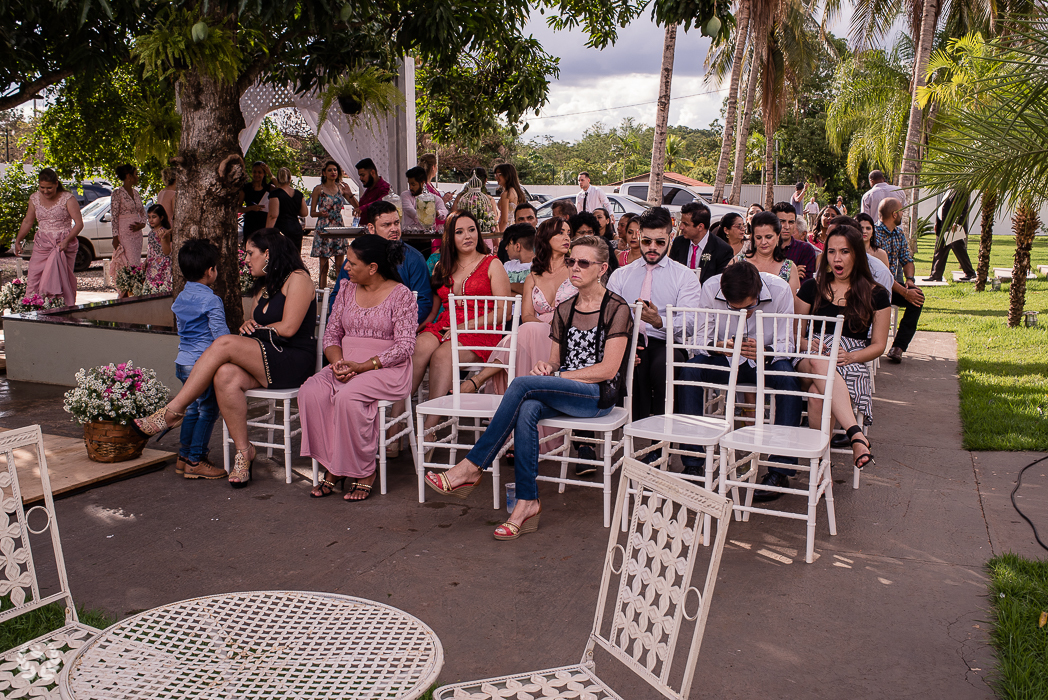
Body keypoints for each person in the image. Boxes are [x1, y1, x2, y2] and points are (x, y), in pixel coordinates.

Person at [424, 235, 633, 540]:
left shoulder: (617, 308)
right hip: (567, 390)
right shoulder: (566, 309)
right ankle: (526, 503)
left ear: (602, 269)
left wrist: (557, 378)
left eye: (583, 263)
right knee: (528, 407)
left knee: (522, 385)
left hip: (598, 395)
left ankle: (471, 467)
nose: (574, 267)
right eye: (571, 260)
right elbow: (554, 362)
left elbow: (608, 369)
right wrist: (547, 369)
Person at [133, 229, 318, 488]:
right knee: (224, 374)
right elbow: (257, 324)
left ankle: (173, 411)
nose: (246, 260)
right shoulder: (263, 287)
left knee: (224, 343)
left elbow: (287, 329)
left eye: (250, 253)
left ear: (268, 253)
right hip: (265, 360)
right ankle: (244, 452)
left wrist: (253, 332)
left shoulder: (298, 279)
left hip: (292, 361)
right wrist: (247, 326)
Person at [300, 235, 418, 501]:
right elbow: (331, 334)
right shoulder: (346, 290)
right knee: (311, 392)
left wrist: (364, 366)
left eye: (352, 263)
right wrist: (338, 363)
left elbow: (405, 347)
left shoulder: (401, 296)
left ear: (373, 267)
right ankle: (335, 465)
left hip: (386, 368)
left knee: (348, 397)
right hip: (345, 363)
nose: (346, 267)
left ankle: (365, 471)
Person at [677, 262, 799, 491]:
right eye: (734, 309)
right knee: (689, 372)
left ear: (759, 291)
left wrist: (765, 350)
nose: (745, 313)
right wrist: (719, 346)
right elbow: (701, 338)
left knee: (789, 381)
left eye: (751, 306)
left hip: (766, 361)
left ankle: (780, 470)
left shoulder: (780, 289)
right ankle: (692, 461)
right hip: (724, 359)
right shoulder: (711, 287)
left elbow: (786, 343)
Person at [795, 224, 887, 472]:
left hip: (850, 360)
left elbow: (879, 345)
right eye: (832, 251)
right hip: (809, 357)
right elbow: (793, 333)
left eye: (844, 251)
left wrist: (851, 356)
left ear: (857, 254)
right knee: (818, 361)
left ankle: (822, 466)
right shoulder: (810, 288)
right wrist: (806, 343)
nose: (837, 258)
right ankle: (856, 435)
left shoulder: (876, 293)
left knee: (817, 396)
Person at [412, 211, 511, 430]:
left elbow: (505, 312)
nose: (467, 236)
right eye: (459, 232)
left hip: (480, 329)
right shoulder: (442, 266)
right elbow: (434, 311)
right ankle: (399, 424)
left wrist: (464, 326)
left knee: (443, 355)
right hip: (445, 325)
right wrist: (416, 329)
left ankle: (429, 428)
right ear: (450, 237)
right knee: (418, 346)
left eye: (471, 230)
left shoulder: (492, 264)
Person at [460, 217, 576, 399]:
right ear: (545, 237)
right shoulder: (534, 275)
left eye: (569, 233)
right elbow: (528, 314)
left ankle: (480, 379)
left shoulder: (576, 270)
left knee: (522, 334)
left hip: (569, 332)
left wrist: (554, 327)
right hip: (538, 330)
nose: (566, 237)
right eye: (560, 232)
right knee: (528, 329)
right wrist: (545, 327)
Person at [607, 206, 702, 425]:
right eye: (646, 241)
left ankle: (660, 440)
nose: (652, 248)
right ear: (638, 236)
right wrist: (626, 344)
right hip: (628, 341)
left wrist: (660, 321)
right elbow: (610, 318)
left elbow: (689, 324)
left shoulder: (684, 276)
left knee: (662, 365)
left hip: (667, 342)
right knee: (632, 360)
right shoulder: (621, 275)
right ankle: (633, 430)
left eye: (659, 242)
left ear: (671, 237)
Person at [169, 238, 228, 480]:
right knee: (208, 411)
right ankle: (196, 460)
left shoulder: (182, 295)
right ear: (209, 271)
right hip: (203, 364)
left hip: (183, 361)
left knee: (191, 409)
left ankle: (184, 458)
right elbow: (222, 338)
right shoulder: (211, 300)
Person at [330, 201, 433, 324]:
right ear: (371, 228)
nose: (394, 229)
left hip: (398, 329)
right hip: (355, 326)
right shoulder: (356, 258)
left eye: (396, 223)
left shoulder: (414, 259)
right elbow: (337, 297)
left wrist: (395, 325)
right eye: (387, 225)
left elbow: (424, 302)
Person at [13, 168, 82, 306]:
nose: (45, 191)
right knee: (34, 277)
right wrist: (18, 240)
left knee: (62, 279)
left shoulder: (67, 198)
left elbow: (79, 224)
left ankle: (62, 310)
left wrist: (66, 241)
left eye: (49, 188)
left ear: (56, 183)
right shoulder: (34, 198)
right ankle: (32, 309)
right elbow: (28, 221)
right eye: (42, 187)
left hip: (63, 245)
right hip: (42, 244)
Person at [877, 197, 924, 363]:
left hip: (894, 287)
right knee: (909, 296)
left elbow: (907, 259)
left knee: (917, 297)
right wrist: (904, 292)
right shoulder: (873, 234)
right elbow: (882, 276)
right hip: (876, 288)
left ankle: (898, 347)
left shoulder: (898, 233)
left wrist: (910, 280)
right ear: (894, 214)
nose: (903, 213)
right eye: (902, 210)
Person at [309, 160, 354, 289]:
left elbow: (356, 205)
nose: (333, 172)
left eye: (335, 170)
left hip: (338, 225)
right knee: (324, 267)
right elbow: (312, 213)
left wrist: (349, 194)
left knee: (340, 266)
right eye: (330, 170)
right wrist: (320, 214)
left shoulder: (341, 188)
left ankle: (339, 293)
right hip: (324, 226)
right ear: (324, 173)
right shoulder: (319, 189)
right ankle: (322, 294)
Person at [732, 211, 799, 293]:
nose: (763, 242)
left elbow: (793, 303)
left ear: (778, 237)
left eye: (768, 237)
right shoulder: (737, 262)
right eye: (759, 237)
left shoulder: (789, 268)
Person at [668, 201, 733, 284]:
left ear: (700, 227)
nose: (681, 227)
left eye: (685, 224)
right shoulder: (679, 242)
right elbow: (671, 271)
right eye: (681, 222)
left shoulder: (722, 250)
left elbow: (719, 283)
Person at [828, 215, 894, 292]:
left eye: (834, 237)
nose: (827, 242)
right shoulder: (826, 264)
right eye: (827, 236)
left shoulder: (879, 272)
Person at [110, 164, 147, 294]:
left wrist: (142, 224)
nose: (137, 177)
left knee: (136, 261)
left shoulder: (136, 193)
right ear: (128, 176)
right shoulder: (117, 193)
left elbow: (143, 212)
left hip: (137, 234)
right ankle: (126, 291)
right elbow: (114, 216)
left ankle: (135, 290)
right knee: (127, 261)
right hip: (123, 232)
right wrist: (115, 237)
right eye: (136, 174)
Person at [926, 190, 976, 282]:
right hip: (943, 225)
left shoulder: (961, 191)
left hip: (952, 227)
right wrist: (937, 222)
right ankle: (936, 275)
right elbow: (941, 208)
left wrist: (957, 222)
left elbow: (963, 209)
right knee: (939, 250)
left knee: (959, 249)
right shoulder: (947, 191)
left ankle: (970, 273)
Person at [771, 202, 817, 281]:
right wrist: (790, 274)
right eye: (782, 222)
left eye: (791, 222)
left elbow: (804, 286)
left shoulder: (805, 249)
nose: (787, 226)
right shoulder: (765, 248)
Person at [266, 167, 308, 254]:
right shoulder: (298, 194)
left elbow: (273, 215)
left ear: (278, 179)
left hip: (281, 228)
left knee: (281, 256)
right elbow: (304, 213)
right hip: (296, 228)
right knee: (295, 255)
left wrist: (267, 232)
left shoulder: (275, 194)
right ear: (290, 179)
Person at [347, 157, 391, 222]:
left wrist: (362, 209)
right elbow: (360, 206)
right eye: (360, 176)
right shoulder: (369, 189)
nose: (360, 178)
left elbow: (380, 204)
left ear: (372, 173)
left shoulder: (384, 187)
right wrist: (349, 195)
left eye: (363, 175)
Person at [144, 204, 172, 292]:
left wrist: (163, 239)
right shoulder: (151, 232)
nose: (151, 220)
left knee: (161, 289)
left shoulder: (163, 232)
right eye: (149, 217)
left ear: (161, 217)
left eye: (154, 217)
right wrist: (146, 261)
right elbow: (150, 249)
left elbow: (167, 251)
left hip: (162, 265)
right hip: (152, 265)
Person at [241, 161, 272, 241]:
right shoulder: (246, 188)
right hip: (250, 223)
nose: (256, 175)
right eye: (254, 172)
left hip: (264, 224)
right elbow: (237, 208)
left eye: (259, 172)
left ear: (264, 174)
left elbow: (280, 188)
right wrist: (251, 208)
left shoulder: (268, 188)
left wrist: (270, 173)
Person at [417, 153, 450, 228]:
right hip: (433, 225)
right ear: (433, 167)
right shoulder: (424, 186)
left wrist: (443, 200)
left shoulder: (428, 184)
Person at [502, 223, 536, 296]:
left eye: (508, 244)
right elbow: (499, 291)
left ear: (517, 246)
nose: (506, 248)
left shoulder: (540, 265)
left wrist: (508, 285)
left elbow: (536, 291)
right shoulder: (507, 265)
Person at [494, 163, 526, 233]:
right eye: (495, 175)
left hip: (506, 230)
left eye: (499, 174)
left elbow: (504, 221)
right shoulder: (515, 192)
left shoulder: (506, 194)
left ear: (507, 175)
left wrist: (498, 237)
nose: (496, 177)